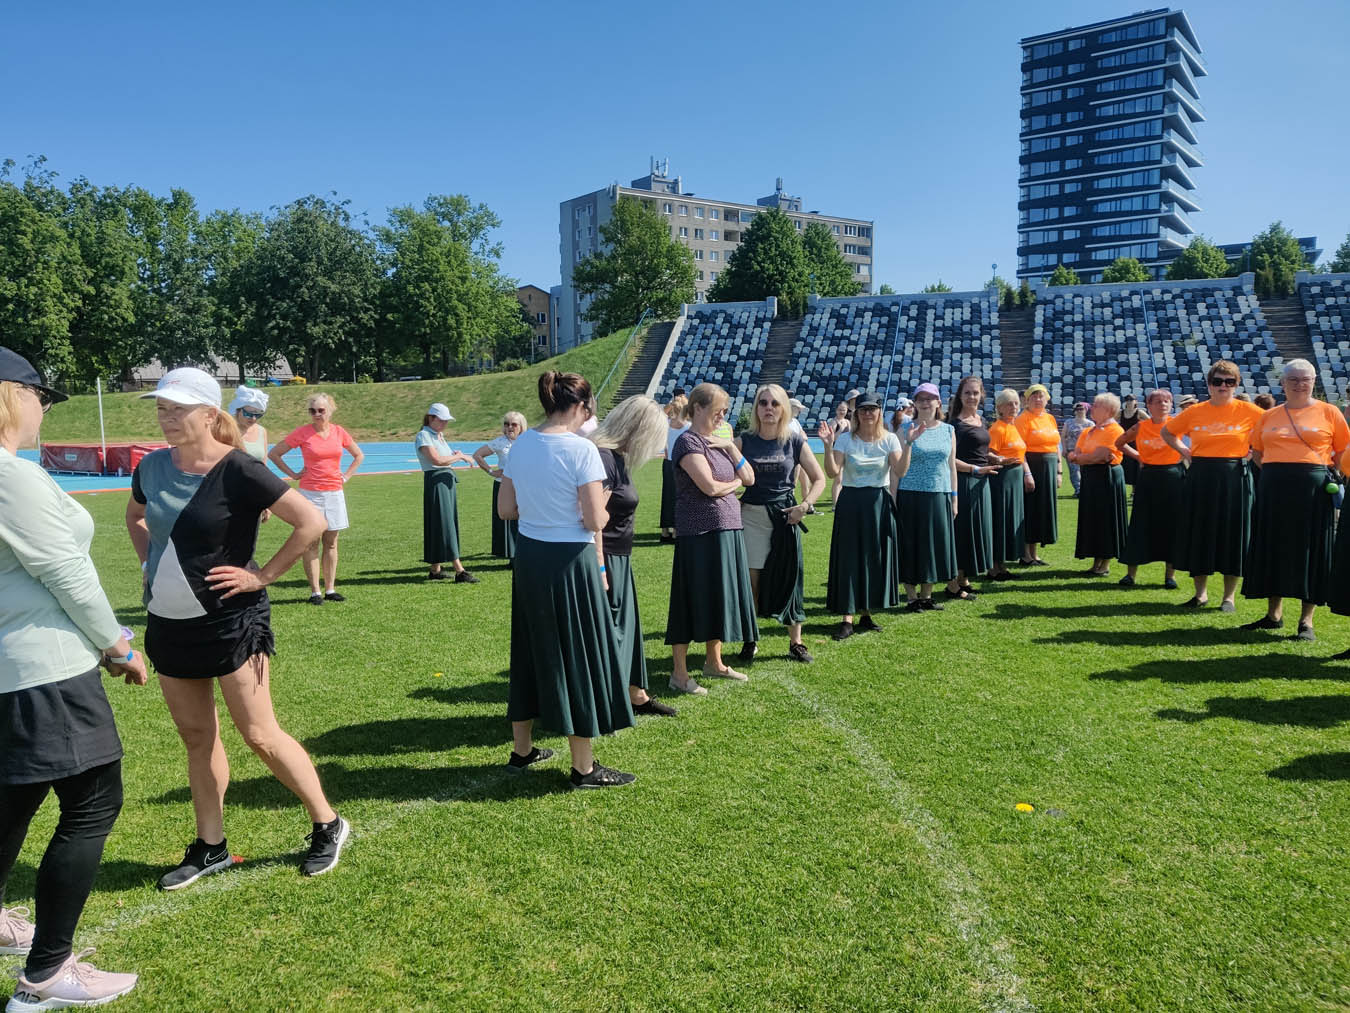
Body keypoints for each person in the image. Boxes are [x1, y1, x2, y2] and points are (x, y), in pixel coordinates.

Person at [126, 368, 349, 889]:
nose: (166, 418)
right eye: (161, 408)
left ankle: (328, 822)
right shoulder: (151, 467)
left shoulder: (239, 468)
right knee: (196, 737)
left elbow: (311, 522)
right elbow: (135, 517)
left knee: (259, 735)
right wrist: (150, 565)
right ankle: (211, 847)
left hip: (232, 621)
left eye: (177, 409)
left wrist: (261, 576)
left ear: (209, 414)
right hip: (169, 623)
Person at [0, 348, 145, 1010]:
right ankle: (45, 975)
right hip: (45, 672)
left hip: (17, 671)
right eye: (41, 396)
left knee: (12, 803)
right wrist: (116, 644)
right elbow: (67, 574)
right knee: (92, 801)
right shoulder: (10, 476)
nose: (44, 408)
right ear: (12, 396)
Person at [497, 371, 636, 788]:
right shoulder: (581, 449)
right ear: (581, 405)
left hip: (530, 557)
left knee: (529, 649)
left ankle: (522, 750)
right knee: (578, 654)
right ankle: (584, 767)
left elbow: (506, 509)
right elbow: (595, 520)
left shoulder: (522, 444)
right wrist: (598, 507)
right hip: (570, 560)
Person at [1239, 359, 1350, 641]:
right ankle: (1273, 615)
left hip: (1313, 491)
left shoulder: (1330, 412)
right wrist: (1278, 472)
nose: (1300, 384)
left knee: (1310, 549)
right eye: (1294, 379)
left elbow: (1341, 453)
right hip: (1274, 489)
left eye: (1305, 379)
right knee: (1273, 545)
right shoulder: (1269, 415)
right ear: (1283, 383)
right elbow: (1257, 451)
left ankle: (1306, 621)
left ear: (1314, 381)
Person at [666, 383, 758, 692]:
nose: (722, 415)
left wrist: (730, 448)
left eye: (725, 411)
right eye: (718, 410)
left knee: (719, 597)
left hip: (726, 529)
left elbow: (750, 477)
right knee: (691, 600)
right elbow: (710, 487)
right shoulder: (688, 442)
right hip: (699, 533)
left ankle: (714, 662)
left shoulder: (718, 441)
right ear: (698, 408)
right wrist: (734, 484)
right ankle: (679, 673)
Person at [590, 396, 678, 717]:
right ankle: (610, 700)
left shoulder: (616, 457)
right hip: (607, 557)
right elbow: (594, 519)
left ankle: (636, 694)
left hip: (619, 557)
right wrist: (601, 566)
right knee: (613, 628)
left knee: (627, 626)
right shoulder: (604, 458)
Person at [1162, 359, 1265, 611]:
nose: (1223, 386)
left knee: (1234, 535)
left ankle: (1229, 597)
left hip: (1235, 476)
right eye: (1218, 381)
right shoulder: (1194, 411)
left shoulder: (1251, 411)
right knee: (1201, 532)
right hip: (1201, 476)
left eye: (1229, 382)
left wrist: (1254, 452)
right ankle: (1200, 594)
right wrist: (1185, 451)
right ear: (1209, 384)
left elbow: (1270, 432)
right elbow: (1167, 432)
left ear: (1236, 384)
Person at [737, 383, 826, 661]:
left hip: (786, 518)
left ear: (784, 408)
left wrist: (805, 505)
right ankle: (750, 639)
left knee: (790, 579)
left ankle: (796, 642)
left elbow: (820, 479)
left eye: (775, 403)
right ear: (756, 408)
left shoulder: (794, 440)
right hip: (751, 516)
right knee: (752, 582)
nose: (769, 408)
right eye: (763, 403)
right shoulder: (744, 440)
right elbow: (723, 473)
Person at [820, 390, 903, 639]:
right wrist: (828, 445)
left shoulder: (890, 439)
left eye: (872, 409)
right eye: (863, 409)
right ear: (857, 414)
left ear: (879, 412)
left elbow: (900, 470)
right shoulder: (846, 440)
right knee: (849, 558)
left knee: (872, 557)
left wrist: (908, 444)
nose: (867, 413)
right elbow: (832, 472)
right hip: (851, 502)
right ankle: (847, 617)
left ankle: (866, 613)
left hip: (878, 503)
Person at [268, 392, 364, 604]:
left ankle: (330, 589)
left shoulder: (339, 432)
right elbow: (274, 453)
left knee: (331, 542)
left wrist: (346, 476)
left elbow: (359, 455)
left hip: (334, 493)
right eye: (312, 411)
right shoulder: (302, 432)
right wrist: (293, 474)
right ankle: (315, 592)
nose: (317, 414)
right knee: (311, 543)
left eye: (321, 410)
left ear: (330, 411)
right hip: (311, 494)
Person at [894, 383, 958, 611]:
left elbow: (951, 467)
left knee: (933, 545)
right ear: (914, 403)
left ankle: (927, 595)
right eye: (920, 399)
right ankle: (912, 597)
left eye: (929, 398)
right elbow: (896, 468)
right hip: (910, 494)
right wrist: (893, 497)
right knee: (910, 544)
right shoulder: (904, 429)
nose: (925, 402)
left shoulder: (948, 430)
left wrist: (954, 497)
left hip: (938, 494)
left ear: (938, 402)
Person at [1115, 389, 1183, 589]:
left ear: (1171, 405)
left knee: (1172, 525)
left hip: (1173, 478)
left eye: (1166, 401)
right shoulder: (1140, 426)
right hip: (1148, 478)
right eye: (1158, 401)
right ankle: (1130, 575)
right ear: (1149, 406)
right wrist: (1138, 456)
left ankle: (1170, 576)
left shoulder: (1177, 424)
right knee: (1140, 523)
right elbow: (1119, 442)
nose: (1163, 404)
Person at [947, 376, 1002, 601]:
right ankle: (953, 584)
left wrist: (994, 457)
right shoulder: (954, 425)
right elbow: (949, 458)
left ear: (982, 396)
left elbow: (978, 449)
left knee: (976, 531)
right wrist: (975, 469)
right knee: (963, 532)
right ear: (960, 396)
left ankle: (964, 579)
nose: (972, 397)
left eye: (976, 393)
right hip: (964, 481)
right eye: (967, 393)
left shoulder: (981, 420)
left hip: (982, 481)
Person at [414, 403, 478, 583]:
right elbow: (437, 460)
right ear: (431, 418)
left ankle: (435, 569)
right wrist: (459, 456)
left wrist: (454, 454)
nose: (445, 424)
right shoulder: (424, 436)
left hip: (445, 481)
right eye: (441, 420)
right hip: (437, 482)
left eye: (446, 421)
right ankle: (459, 570)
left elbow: (445, 457)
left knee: (441, 523)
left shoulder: (437, 435)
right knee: (445, 523)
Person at [1068, 393, 1127, 576]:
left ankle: (1105, 563)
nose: (1091, 408)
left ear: (1108, 410)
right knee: (1093, 519)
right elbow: (1073, 454)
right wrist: (1082, 457)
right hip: (1091, 477)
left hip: (1107, 477)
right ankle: (1096, 562)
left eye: (1096, 405)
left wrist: (1080, 458)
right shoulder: (1089, 431)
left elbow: (1099, 457)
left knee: (1105, 519)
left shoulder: (1115, 430)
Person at [987, 389, 1032, 581]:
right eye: (1008, 404)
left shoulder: (1013, 427)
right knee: (1001, 520)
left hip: (1014, 479)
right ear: (1000, 408)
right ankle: (994, 568)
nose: (1013, 407)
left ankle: (1002, 566)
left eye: (1015, 403)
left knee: (1009, 520)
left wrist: (1026, 473)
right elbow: (988, 454)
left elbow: (1021, 454)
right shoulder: (997, 429)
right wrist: (1000, 459)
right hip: (1002, 478)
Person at [1014, 385, 1062, 564]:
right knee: (1031, 509)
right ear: (1026, 400)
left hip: (1049, 469)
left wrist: (1059, 471)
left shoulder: (1050, 418)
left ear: (1047, 399)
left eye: (1041, 396)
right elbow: (1020, 450)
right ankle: (1025, 554)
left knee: (1041, 510)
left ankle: (1034, 554)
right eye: (1033, 396)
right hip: (1032, 467)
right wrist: (1027, 473)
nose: (1038, 400)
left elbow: (1056, 446)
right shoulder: (1022, 419)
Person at [473, 412, 527, 562]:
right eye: (506, 424)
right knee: (508, 519)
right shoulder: (500, 442)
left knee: (524, 518)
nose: (510, 427)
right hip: (504, 485)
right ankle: (511, 555)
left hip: (523, 486)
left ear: (521, 426)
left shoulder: (528, 441)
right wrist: (492, 472)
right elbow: (477, 455)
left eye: (514, 424)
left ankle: (522, 553)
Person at [659, 396, 689, 543]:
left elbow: (662, 413)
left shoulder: (666, 424)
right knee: (680, 496)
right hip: (681, 464)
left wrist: (670, 404)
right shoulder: (688, 426)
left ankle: (665, 531)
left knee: (667, 496)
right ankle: (677, 530)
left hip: (668, 463)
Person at [1060, 402, 1094, 497]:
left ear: (1086, 410)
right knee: (1074, 471)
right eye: (1077, 409)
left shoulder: (1090, 424)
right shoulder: (1068, 422)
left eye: (1081, 409)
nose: (1079, 411)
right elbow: (1063, 436)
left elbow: (1093, 438)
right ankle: (1078, 490)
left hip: (1085, 451)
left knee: (1085, 471)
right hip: (1071, 450)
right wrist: (1064, 449)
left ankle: (1086, 489)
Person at [229, 386, 270, 462]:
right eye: (248, 414)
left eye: (258, 415)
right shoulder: (227, 430)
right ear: (238, 411)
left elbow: (263, 464)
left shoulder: (262, 431)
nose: (253, 418)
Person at [827, 400, 852, 508]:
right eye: (840, 409)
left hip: (848, 451)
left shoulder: (848, 422)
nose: (842, 412)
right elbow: (831, 439)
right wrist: (841, 429)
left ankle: (844, 501)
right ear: (836, 410)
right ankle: (835, 504)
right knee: (838, 479)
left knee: (847, 478)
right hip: (836, 451)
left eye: (844, 410)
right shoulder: (833, 422)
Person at [1118, 394, 1141, 486]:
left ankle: (1135, 489)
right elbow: (1111, 421)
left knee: (1135, 465)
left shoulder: (1139, 412)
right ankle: (1122, 487)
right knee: (1124, 464)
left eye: (1131, 400)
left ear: (1135, 401)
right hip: (1123, 442)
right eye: (1127, 400)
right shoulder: (1120, 413)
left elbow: (1151, 422)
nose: (1129, 401)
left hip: (1136, 442)